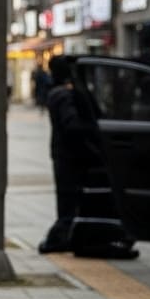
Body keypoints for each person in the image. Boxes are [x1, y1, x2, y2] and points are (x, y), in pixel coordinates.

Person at [39, 55, 103, 254]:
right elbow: (72, 126)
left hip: (63, 154)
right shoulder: (64, 95)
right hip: (71, 156)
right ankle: (58, 238)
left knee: (67, 197)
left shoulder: (57, 93)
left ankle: (64, 237)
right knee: (69, 198)